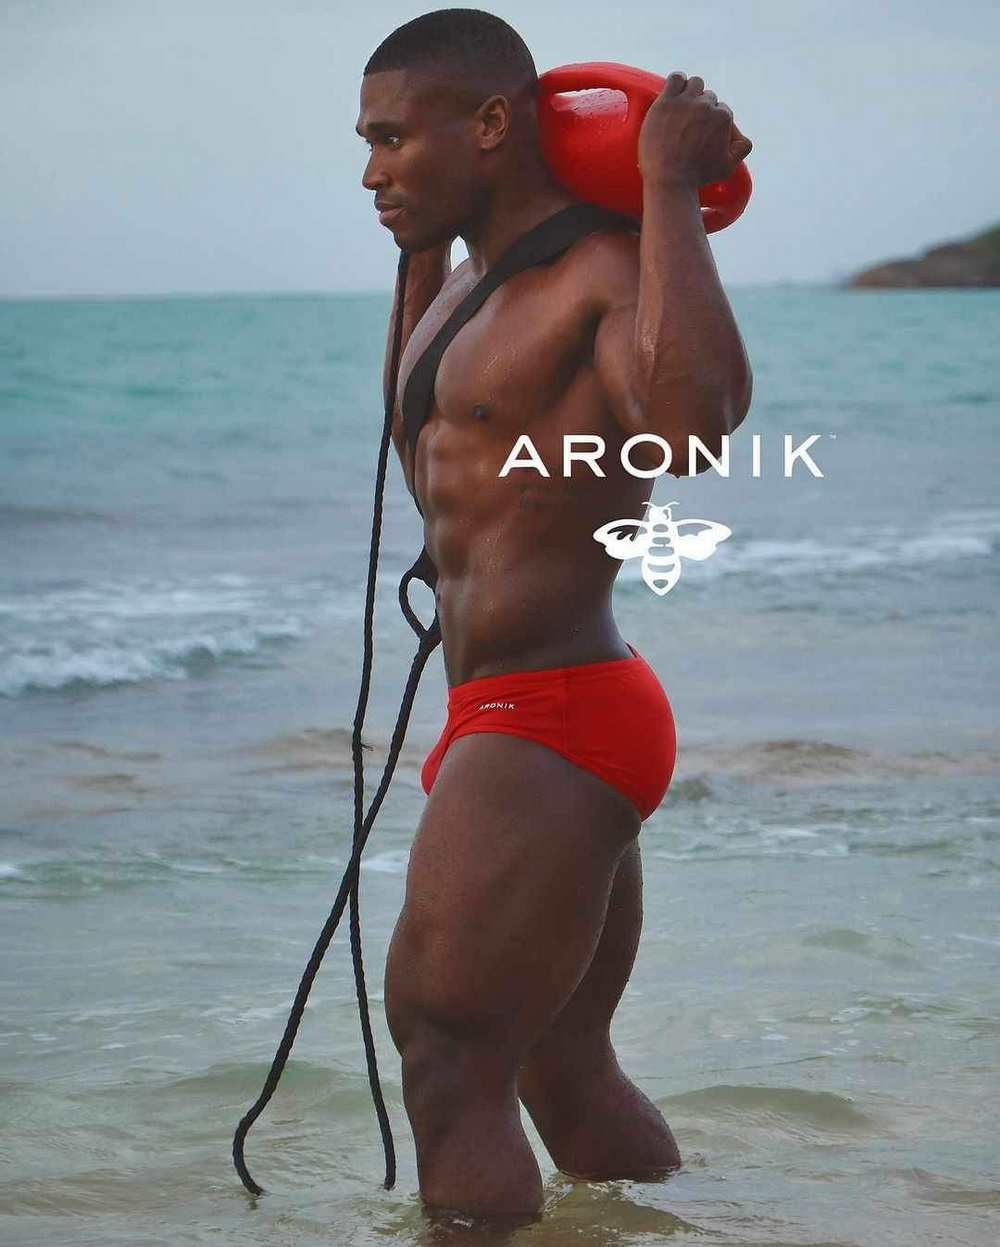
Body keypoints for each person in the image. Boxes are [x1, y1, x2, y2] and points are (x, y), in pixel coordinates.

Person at [356, 7, 752, 1222]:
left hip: (553, 715)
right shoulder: (467, 287)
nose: (371, 172)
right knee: (556, 1060)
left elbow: (692, 428)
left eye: (392, 138)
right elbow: (430, 454)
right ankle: (693, 1223)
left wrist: (667, 189)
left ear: (489, 124)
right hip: (512, 714)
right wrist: (421, 255)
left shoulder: (601, 271)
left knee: (447, 1051)